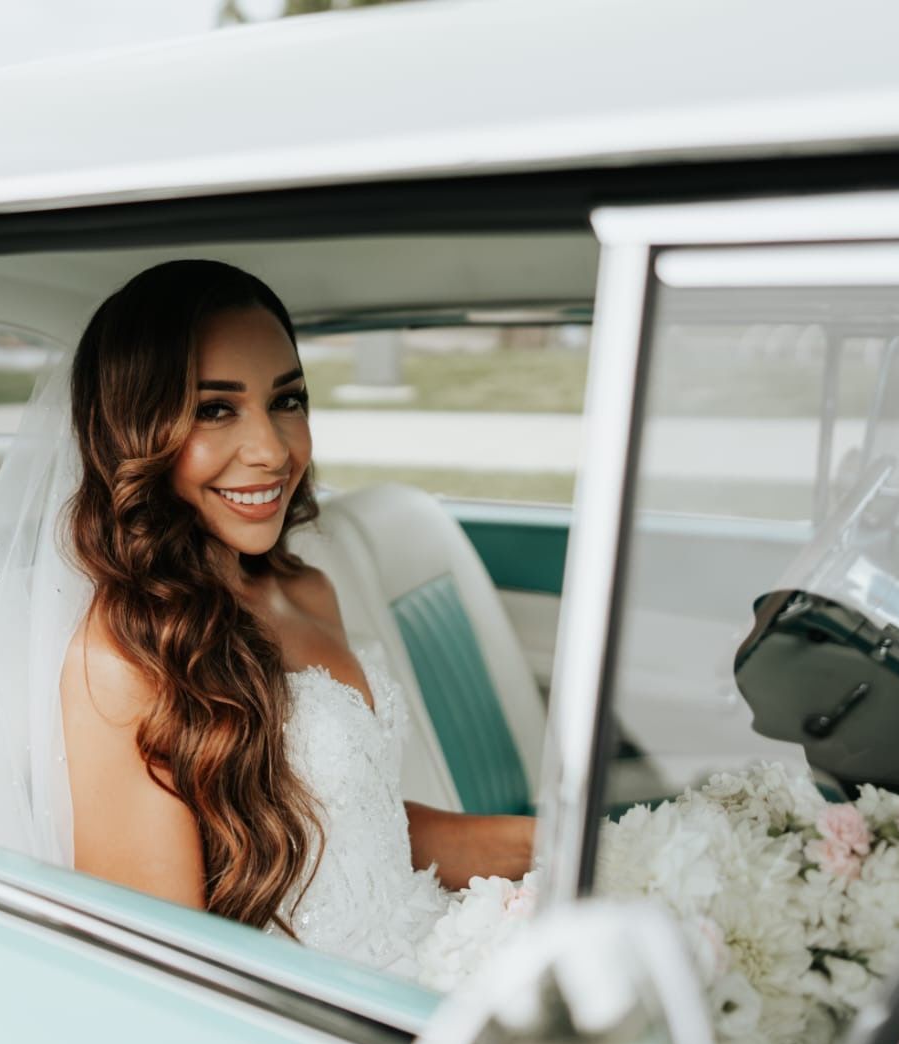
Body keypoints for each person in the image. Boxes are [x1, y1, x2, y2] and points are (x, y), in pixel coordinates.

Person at [41, 259, 534, 978]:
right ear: (136, 431)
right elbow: (156, 976)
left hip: (431, 949)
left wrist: (555, 846)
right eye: (215, 408)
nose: (273, 450)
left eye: (288, 400)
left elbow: (359, 825)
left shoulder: (308, 590)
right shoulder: (121, 664)